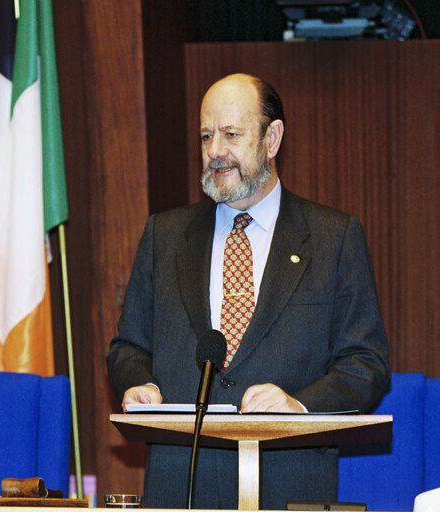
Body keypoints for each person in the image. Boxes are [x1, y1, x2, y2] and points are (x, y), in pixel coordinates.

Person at [106, 73, 390, 509]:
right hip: (181, 481)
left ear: (271, 138)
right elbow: (128, 347)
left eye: (231, 134)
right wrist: (138, 383)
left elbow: (365, 364)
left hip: (290, 482)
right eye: (206, 136)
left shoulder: (334, 237)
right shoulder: (165, 234)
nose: (215, 151)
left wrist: (298, 404)